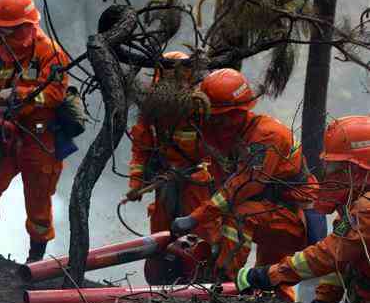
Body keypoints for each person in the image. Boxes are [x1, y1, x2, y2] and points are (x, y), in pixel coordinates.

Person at [170, 69, 316, 280]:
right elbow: (220, 184)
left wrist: (195, 218)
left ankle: (223, 281)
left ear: (237, 112)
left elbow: (245, 186)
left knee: (241, 214)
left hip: (292, 216)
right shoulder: (232, 135)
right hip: (266, 212)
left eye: (220, 117)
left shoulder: (267, 136)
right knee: (271, 282)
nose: (215, 124)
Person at [0, 0, 72, 263]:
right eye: (3, 30)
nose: (7, 36)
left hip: (40, 139)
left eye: (12, 30)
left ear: (29, 25)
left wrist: (19, 95)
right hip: (5, 134)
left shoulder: (51, 53)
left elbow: (55, 94)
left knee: (38, 202)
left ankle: (35, 259)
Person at [237, 116, 370, 303]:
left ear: (358, 170)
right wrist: (322, 302)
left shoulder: (366, 210)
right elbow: (339, 261)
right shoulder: (352, 210)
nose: (329, 174)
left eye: (336, 167)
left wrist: (267, 275)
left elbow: (327, 255)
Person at [126, 51, 214, 249]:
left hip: (195, 181)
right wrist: (136, 183)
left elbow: (214, 149)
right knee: (162, 233)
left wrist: (201, 173)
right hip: (165, 180)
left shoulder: (200, 105)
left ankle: (200, 275)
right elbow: (141, 148)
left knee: (198, 232)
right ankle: (163, 272)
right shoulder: (153, 107)